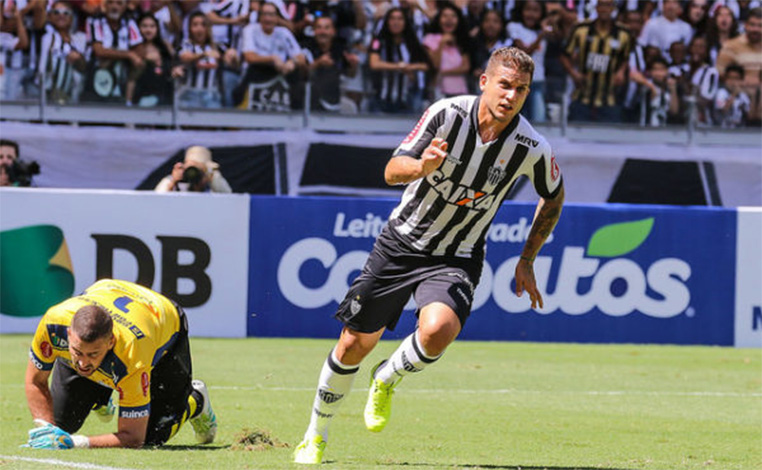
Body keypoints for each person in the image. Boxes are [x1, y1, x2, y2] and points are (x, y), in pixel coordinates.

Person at [293, 46, 565, 465]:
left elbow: (554, 196)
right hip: (401, 243)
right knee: (353, 344)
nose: (511, 96)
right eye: (505, 85)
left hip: (457, 254)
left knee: (439, 329)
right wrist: (422, 166)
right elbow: (391, 170)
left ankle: (387, 378)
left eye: (522, 90)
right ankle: (315, 434)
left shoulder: (531, 145)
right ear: (484, 82)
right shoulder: (447, 114)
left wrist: (527, 258)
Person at [24, 279, 217, 449]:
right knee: (60, 424)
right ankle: (100, 394)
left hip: (162, 322)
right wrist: (47, 430)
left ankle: (196, 400)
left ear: (111, 342)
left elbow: (133, 438)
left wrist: (76, 443)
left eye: (93, 354)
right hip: (107, 292)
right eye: (77, 352)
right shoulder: (53, 323)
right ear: (69, 334)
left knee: (151, 436)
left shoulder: (132, 352)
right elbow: (35, 381)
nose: (82, 363)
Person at [560, 0, 632, 122]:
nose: (604, 9)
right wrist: (574, 73)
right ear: (596, 7)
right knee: (575, 137)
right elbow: (564, 55)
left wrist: (621, 71)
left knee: (611, 138)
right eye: (601, 5)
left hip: (609, 99)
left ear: (613, 9)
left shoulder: (624, 33)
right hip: (582, 97)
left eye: (608, 5)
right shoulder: (581, 29)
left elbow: (625, 57)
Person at [368, 6, 430, 114]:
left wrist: (410, 67)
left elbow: (426, 65)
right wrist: (399, 67)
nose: (396, 22)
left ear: (405, 22)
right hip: (381, 98)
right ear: (387, 22)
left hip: (405, 99)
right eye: (392, 18)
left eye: (400, 19)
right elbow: (374, 63)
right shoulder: (378, 41)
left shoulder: (412, 43)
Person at [715, 6, 762, 125]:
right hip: (738, 102)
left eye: (760, 25)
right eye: (752, 24)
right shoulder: (730, 46)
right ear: (745, 25)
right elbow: (720, 76)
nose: (755, 29)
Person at [37, 1, 87, 105]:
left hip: (75, 95)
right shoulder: (47, 38)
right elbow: (42, 69)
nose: (61, 16)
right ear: (50, 16)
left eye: (66, 13)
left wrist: (77, 59)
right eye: (56, 12)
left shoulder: (80, 38)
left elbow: (84, 68)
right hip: (50, 95)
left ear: (72, 18)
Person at [155, 145, 232, 193]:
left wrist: (211, 177)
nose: (194, 173)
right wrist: (173, 183)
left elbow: (228, 196)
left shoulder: (213, 179)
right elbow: (157, 200)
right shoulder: (174, 180)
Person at [714, 63, 751, 127]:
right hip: (722, 130)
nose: (733, 81)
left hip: (740, 131)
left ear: (741, 80)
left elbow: (749, 116)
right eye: (730, 78)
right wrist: (734, 94)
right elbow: (723, 110)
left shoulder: (743, 96)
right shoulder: (721, 93)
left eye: (736, 78)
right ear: (725, 79)